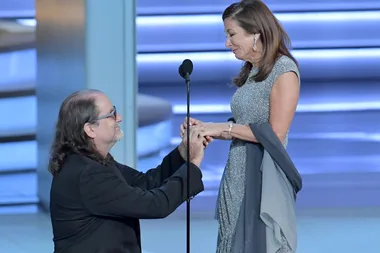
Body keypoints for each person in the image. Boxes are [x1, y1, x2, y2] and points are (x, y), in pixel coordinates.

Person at [180, 1, 301, 252]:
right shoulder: (253, 71)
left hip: (261, 177)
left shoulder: (284, 72)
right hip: (236, 173)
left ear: (256, 32)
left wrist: (221, 128)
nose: (227, 43)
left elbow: (275, 134)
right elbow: (246, 126)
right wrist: (207, 127)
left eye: (232, 34)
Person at [48, 89, 208, 253]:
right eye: (111, 114)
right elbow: (155, 205)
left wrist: (183, 152)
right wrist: (193, 164)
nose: (120, 118)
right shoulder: (88, 174)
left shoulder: (93, 162)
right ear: (90, 129)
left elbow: (146, 183)